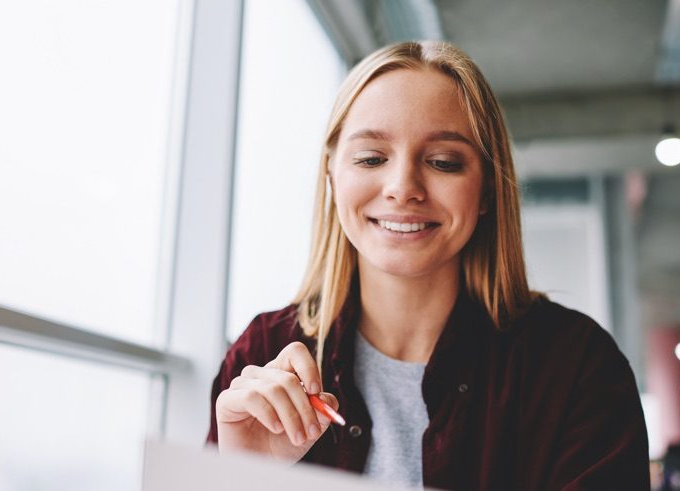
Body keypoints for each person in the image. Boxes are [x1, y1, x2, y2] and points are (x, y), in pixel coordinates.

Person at [207, 40, 650, 490]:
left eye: (443, 162)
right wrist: (244, 478)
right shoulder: (262, 355)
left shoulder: (576, 367)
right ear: (331, 174)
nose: (402, 188)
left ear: (488, 190)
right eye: (371, 158)